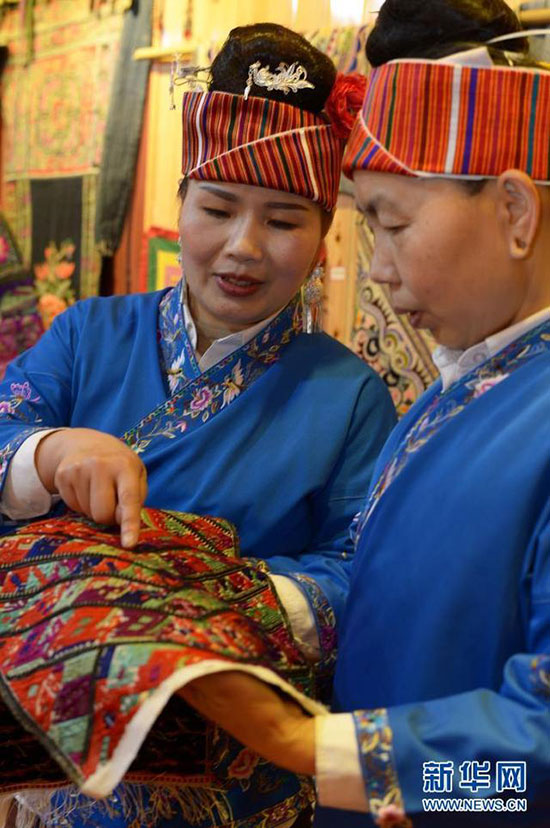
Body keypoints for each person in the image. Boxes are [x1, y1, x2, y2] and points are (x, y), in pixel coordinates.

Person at [0, 21, 396, 828]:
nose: (242, 248)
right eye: (217, 208)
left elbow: (365, 572)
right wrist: (48, 452)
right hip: (70, 773)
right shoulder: (86, 333)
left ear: (325, 239)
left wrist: (206, 599)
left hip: (235, 774)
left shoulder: (350, 394)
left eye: (284, 221)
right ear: (180, 205)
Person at [176, 2, 550, 826]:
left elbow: (532, 782)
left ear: (516, 213)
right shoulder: (455, 398)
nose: (374, 268)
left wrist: (309, 748)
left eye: (392, 222)